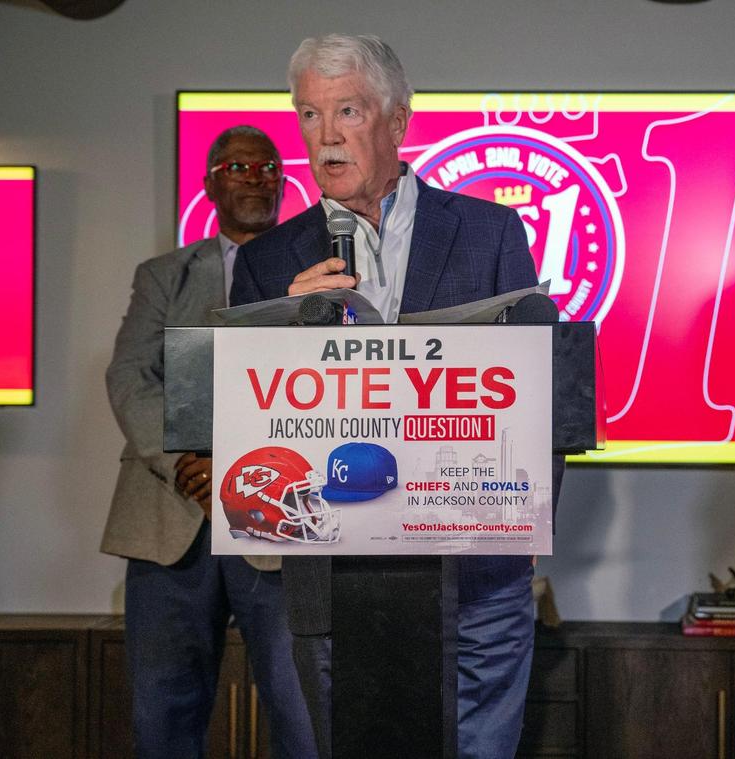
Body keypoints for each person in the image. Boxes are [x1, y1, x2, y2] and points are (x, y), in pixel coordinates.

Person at [230, 34, 539, 759]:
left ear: (398, 121)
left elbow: (546, 392)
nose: (327, 136)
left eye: (348, 111)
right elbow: (241, 424)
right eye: (309, 115)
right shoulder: (269, 262)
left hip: (478, 583)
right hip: (330, 585)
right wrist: (286, 328)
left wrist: (520, 523)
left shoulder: (490, 233)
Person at [102, 126, 317, 758]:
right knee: (163, 715)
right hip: (174, 516)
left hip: (285, 517)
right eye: (237, 165)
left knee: (300, 712)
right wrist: (184, 463)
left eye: (266, 166)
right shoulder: (165, 274)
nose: (254, 176)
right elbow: (129, 374)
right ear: (210, 183)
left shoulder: (319, 274)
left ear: (282, 179)